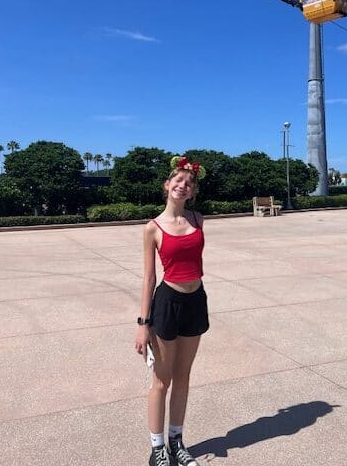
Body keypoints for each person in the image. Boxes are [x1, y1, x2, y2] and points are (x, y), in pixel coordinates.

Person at [135, 156, 209, 466]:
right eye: (178, 181)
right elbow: (150, 278)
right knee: (161, 382)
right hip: (167, 304)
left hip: (196, 302)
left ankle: (177, 442)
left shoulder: (198, 219)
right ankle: (157, 449)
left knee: (184, 378)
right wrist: (143, 323)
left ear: (192, 192)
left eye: (188, 183)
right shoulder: (152, 228)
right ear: (167, 186)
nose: (183, 185)